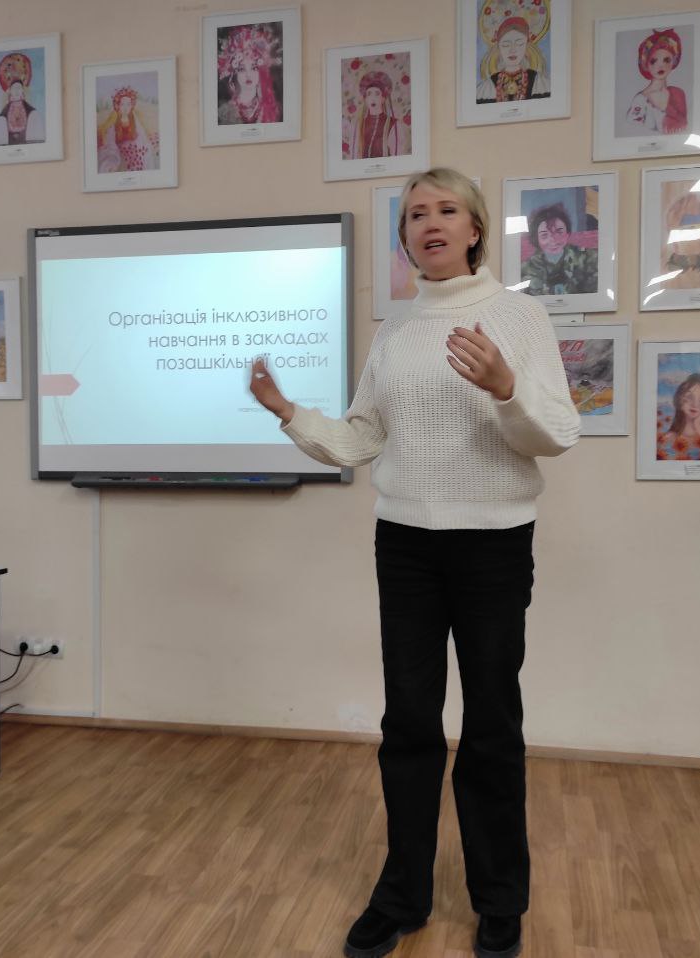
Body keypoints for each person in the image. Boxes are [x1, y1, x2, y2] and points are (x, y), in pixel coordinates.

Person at [247, 168, 579, 958]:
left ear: (475, 229)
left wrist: (505, 388)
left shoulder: (518, 316)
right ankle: (403, 896)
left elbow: (557, 433)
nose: (430, 223)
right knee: (408, 723)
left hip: (493, 544)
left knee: (491, 723)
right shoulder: (395, 333)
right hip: (405, 546)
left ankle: (500, 901)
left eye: (446, 210)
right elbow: (363, 438)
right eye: (415, 215)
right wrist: (289, 413)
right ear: (404, 240)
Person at [520, 202, 598, 296]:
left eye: (559, 232)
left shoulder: (588, 258)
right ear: (536, 239)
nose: (553, 240)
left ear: (567, 233)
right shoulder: (525, 268)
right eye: (544, 235)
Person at [475, 12, 550, 104]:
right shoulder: (487, 86)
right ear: (499, 47)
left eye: (519, 44)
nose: (512, 50)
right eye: (506, 45)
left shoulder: (539, 82)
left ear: (526, 45)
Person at [216, 23, 282, 125]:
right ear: (234, 73)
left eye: (253, 68)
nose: (248, 75)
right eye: (242, 69)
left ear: (260, 71)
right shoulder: (223, 113)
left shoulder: (273, 108)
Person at [626, 28, 688, 135]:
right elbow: (634, 132)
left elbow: (685, 128)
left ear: (674, 61)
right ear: (646, 65)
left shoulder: (678, 94)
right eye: (653, 61)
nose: (661, 65)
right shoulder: (640, 99)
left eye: (666, 60)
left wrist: (667, 108)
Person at [97, 86, 158, 172]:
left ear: (132, 106)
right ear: (118, 106)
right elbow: (111, 144)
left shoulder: (135, 121)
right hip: (120, 153)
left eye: (128, 104)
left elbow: (141, 139)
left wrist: (138, 149)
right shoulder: (114, 123)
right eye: (122, 104)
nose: (125, 108)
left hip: (133, 152)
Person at [348, 69, 405, 159]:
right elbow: (353, 155)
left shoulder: (394, 124)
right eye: (369, 94)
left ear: (383, 98)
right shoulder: (357, 124)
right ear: (365, 99)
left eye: (377, 94)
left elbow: (397, 156)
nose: (373, 98)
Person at [0, 52, 39, 145]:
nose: (16, 91)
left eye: (19, 88)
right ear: (10, 91)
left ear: (23, 90)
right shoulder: (3, 115)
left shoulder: (32, 112)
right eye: (14, 88)